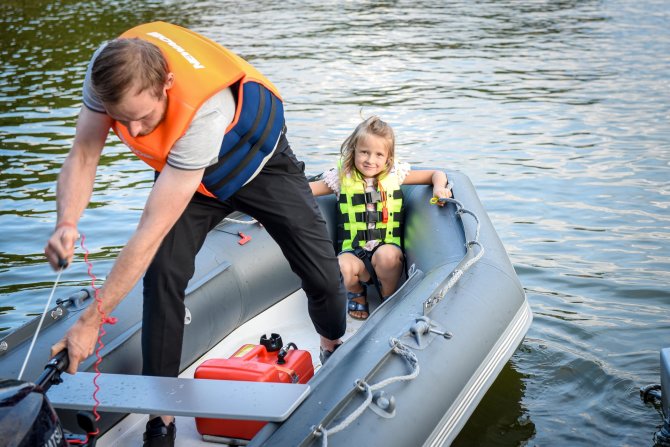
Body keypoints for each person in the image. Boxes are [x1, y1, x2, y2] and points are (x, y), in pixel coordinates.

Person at [44, 22, 345, 446]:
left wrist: (92, 320)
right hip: (190, 181)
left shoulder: (204, 112)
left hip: (257, 165)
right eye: (122, 120)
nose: (134, 132)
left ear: (167, 84)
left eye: (144, 117)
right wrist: (67, 223)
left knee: (321, 276)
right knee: (163, 274)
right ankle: (162, 415)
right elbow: (84, 153)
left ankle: (332, 346)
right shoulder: (106, 73)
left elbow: (149, 230)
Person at [310, 116, 452, 320]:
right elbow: (306, 191)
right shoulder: (341, 178)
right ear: (354, 151)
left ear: (388, 157)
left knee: (388, 257)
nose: (370, 160)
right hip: (353, 249)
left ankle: (388, 295)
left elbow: (435, 174)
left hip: (385, 246)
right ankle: (357, 293)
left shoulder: (396, 174)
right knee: (340, 266)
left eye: (378, 154)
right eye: (364, 152)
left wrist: (439, 188)